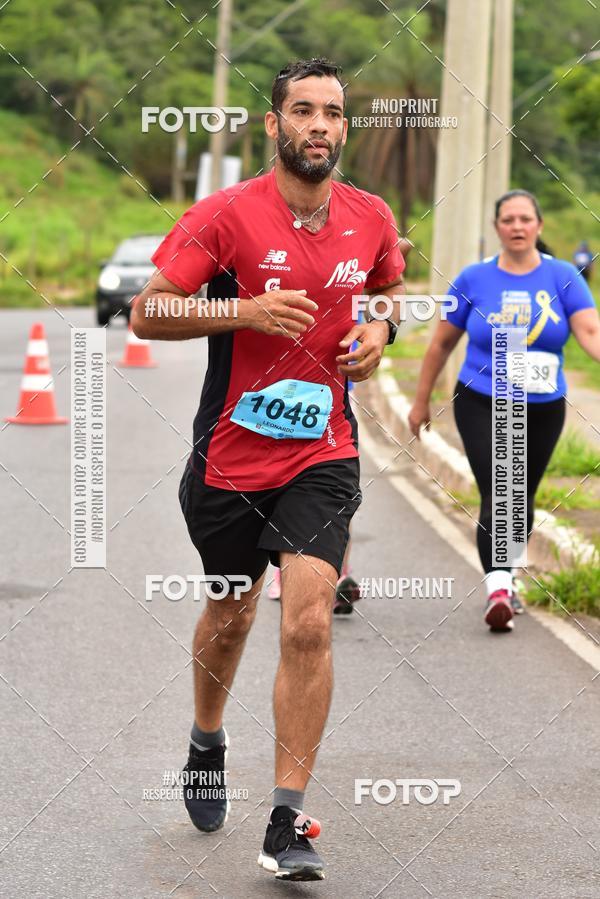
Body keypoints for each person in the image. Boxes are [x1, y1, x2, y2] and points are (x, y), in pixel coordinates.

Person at [131, 58, 405, 880]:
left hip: (324, 450)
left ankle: (286, 821)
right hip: (231, 456)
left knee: (311, 616)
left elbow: (388, 289)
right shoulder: (223, 216)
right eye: (303, 111)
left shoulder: (371, 216)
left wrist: (382, 331)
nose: (319, 125)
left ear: (345, 128)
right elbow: (148, 310)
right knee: (231, 613)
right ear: (274, 124)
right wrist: (241, 310)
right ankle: (207, 737)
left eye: (332, 113)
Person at [408, 189, 600, 632]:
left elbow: (589, 333)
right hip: (481, 400)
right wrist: (421, 402)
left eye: (524, 219)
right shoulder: (474, 279)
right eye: (508, 219)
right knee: (501, 489)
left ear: (538, 226)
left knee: (521, 497)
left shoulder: (565, 276)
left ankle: (507, 579)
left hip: (543, 406)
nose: (516, 227)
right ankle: (498, 586)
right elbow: (440, 344)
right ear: (497, 228)